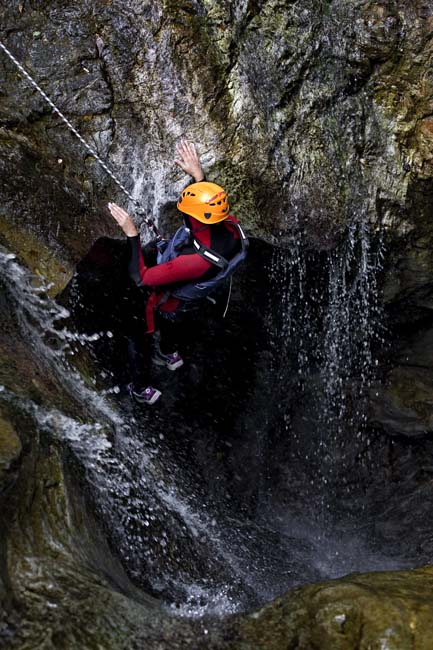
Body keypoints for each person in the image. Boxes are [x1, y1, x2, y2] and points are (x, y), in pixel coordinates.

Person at [108, 140, 248, 405]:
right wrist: (198, 177)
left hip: (176, 297)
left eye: (187, 213)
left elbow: (141, 278)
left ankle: (141, 388)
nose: (184, 215)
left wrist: (131, 233)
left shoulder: (196, 261)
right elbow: (207, 211)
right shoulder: (228, 224)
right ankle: (169, 353)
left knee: (140, 334)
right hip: (198, 295)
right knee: (175, 321)